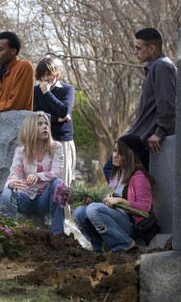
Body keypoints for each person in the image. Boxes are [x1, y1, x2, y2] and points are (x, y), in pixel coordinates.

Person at [103, 27, 177, 181]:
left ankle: (129, 204)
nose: (135, 52)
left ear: (152, 48)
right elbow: (148, 110)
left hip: (147, 142)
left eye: (138, 48)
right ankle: (126, 203)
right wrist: (131, 130)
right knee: (115, 170)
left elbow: (168, 104)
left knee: (114, 170)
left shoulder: (162, 66)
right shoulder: (155, 67)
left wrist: (161, 132)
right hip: (138, 136)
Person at [74, 134, 154, 252]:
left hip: (131, 224)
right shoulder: (115, 175)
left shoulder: (139, 177)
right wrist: (95, 201)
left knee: (93, 209)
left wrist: (121, 201)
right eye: (114, 151)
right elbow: (109, 205)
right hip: (115, 219)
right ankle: (98, 247)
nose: (115, 156)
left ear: (130, 155)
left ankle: (125, 243)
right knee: (79, 212)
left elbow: (144, 208)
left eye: (120, 153)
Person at [0, 111, 65, 234]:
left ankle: (59, 234)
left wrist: (38, 176)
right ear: (30, 128)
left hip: (45, 201)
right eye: (40, 124)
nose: (45, 126)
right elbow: (15, 172)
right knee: (7, 194)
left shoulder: (56, 147)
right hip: (26, 199)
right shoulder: (21, 150)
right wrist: (13, 183)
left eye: (46, 124)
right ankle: (7, 233)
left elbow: (57, 172)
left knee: (58, 184)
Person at [33, 57, 76, 186]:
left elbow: (63, 110)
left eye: (49, 74)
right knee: (42, 185)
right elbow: (35, 117)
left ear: (56, 73)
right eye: (42, 75)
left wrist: (47, 93)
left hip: (63, 142)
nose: (46, 78)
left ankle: (64, 207)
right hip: (41, 142)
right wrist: (57, 119)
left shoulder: (67, 89)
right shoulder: (35, 91)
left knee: (63, 184)